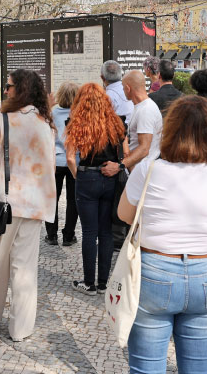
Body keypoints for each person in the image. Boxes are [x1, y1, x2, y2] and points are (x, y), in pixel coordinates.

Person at [116, 95, 207, 373]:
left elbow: (124, 215)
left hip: (154, 268)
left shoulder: (149, 169)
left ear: (169, 130)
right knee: (200, 367)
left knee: (147, 367)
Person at [0, 69, 56, 342]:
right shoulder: (47, 124)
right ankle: (21, 328)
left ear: (20, 90)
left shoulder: (3, 121)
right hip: (35, 206)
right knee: (25, 268)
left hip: (3, 202)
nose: (5, 91)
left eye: (9, 86)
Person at [65, 83, 125, 295]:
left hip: (86, 177)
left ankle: (89, 283)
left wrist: (78, 175)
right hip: (110, 177)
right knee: (106, 231)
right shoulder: (116, 123)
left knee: (89, 232)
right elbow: (124, 153)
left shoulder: (76, 123)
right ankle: (103, 283)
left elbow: (71, 157)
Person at [50, 82, 79, 246]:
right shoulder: (79, 114)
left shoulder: (53, 113)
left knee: (53, 197)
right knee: (72, 200)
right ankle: (69, 235)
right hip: (74, 160)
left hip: (55, 160)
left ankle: (51, 234)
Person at [121, 70, 162, 172]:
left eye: (123, 88)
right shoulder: (141, 107)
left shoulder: (146, 110)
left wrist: (119, 166)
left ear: (128, 88)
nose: (123, 91)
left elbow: (144, 149)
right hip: (137, 169)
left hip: (143, 171)